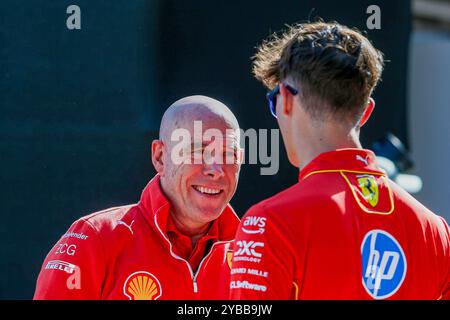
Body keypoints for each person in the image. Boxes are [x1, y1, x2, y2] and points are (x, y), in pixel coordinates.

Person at [229, 22, 450, 300]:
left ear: (285, 99)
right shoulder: (435, 232)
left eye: (274, 101)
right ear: (366, 112)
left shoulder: (268, 223)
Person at [34, 95, 242, 299]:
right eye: (199, 151)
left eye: (228, 154)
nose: (216, 170)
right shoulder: (94, 238)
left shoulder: (254, 251)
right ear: (160, 157)